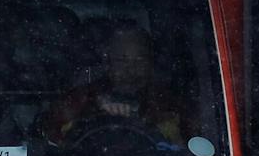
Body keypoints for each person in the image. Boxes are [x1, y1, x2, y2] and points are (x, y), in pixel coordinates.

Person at [41, 24, 183, 148]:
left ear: (150, 62)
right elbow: (50, 134)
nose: (130, 69)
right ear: (108, 61)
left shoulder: (166, 102)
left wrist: (150, 122)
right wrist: (93, 113)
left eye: (140, 59)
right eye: (121, 60)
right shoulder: (83, 97)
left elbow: (184, 147)